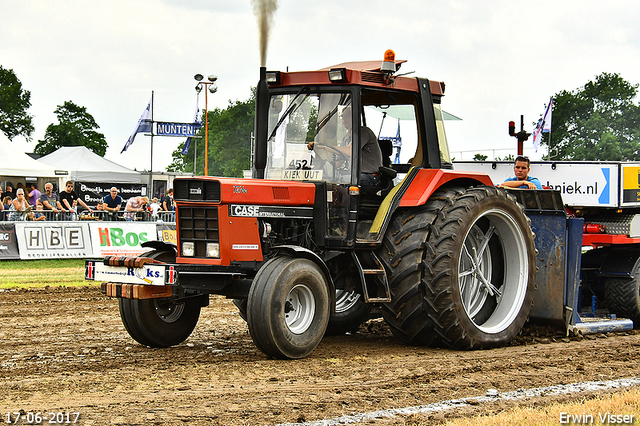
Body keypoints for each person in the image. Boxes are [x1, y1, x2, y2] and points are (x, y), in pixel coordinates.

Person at [307, 105, 383, 186]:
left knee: (341, 180)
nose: (343, 119)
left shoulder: (364, 132)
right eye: (342, 116)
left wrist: (324, 147)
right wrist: (323, 167)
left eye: (347, 116)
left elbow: (350, 151)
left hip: (369, 176)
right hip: (355, 175)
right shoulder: (346, 138)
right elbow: (340, 160)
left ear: (355, 117)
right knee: (326, 178)